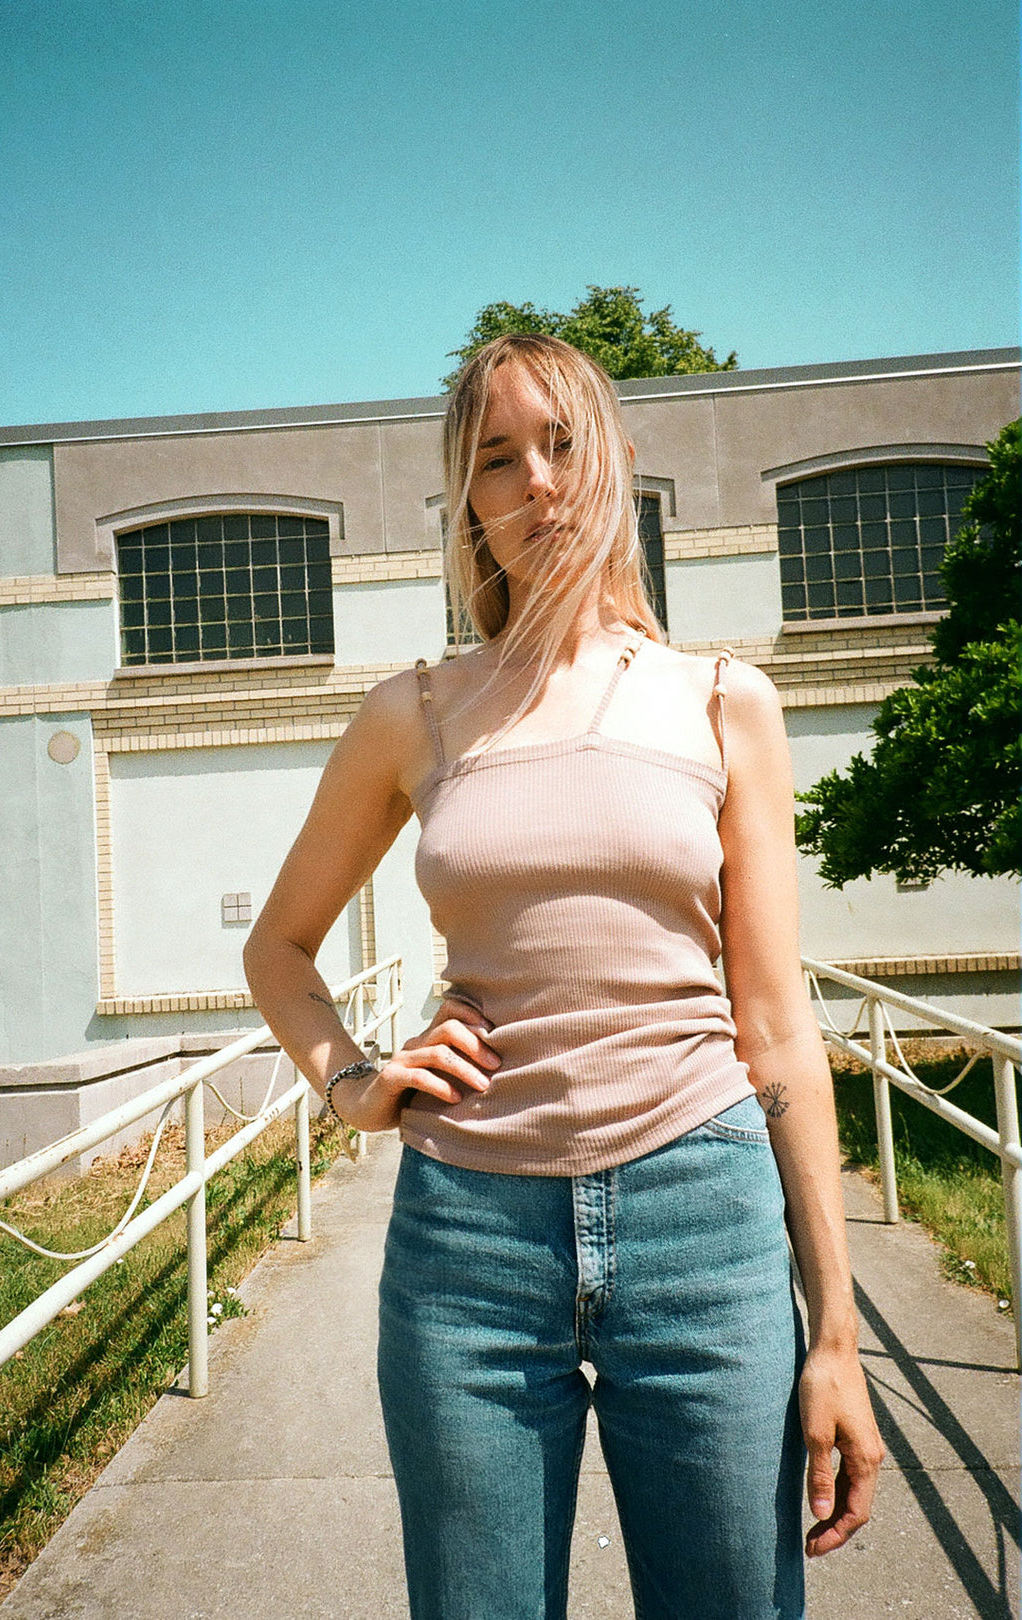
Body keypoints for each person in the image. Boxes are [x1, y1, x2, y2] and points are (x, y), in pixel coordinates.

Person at [243, 333, 884, 1620]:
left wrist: (835, 1334)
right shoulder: (414, 712)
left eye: (563, 443)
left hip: (704, 1220)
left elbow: (774, 1024)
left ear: (618, 465)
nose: (536, 480)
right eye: (497, 459)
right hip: (468, 1248)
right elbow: (279, 948)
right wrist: (356, 1086)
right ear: (467, 503)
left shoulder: (724, 702)